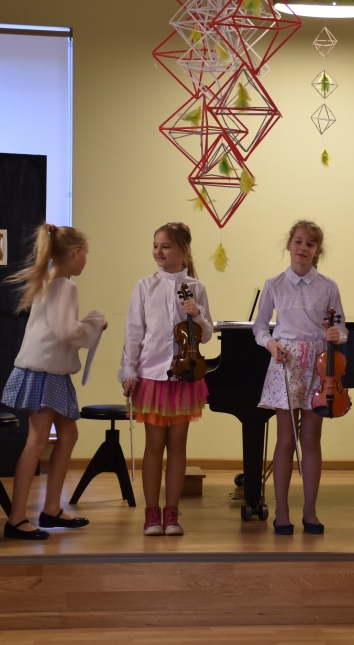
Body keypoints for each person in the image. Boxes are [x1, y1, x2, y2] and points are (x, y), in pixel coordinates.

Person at [1, 223, 106, 540]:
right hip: (46, 373)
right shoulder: (65, 287)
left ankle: (51, 509)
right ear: (74, 254)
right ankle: (16, 519)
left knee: (68, 434)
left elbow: (58, 329)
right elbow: (65, 331)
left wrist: (86, 326)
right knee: (36, 442)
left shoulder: (48, 282)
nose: (86, 259)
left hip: (47, 372)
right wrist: (93, 324)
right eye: (86, 253)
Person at [253, 219, 346, 536]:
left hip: (319, 365)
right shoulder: (274, 284)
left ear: (317, 250)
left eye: (310, 244)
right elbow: (260, 327)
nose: (303, 248)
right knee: (285, 439)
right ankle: (281, 511)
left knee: (311, 440)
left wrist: (336, 333)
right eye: (298, 242)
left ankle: (310, 511)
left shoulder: (328, 286)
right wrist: (270, 344)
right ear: (289, 245)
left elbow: (342, 328)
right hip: (286, 363)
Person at [119, 222, 213, 536]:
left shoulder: (196, 288)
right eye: (156, 245)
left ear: (184, 250)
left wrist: (197, 313)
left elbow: (207, 334)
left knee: (178, 446)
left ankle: (172, 514)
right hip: (152, 375)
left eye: (166, 246)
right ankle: (151, 514)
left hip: (184, 375)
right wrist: (128, 371)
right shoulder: (145, 286)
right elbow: (133, 332)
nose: (158, 252)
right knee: (153, 446)